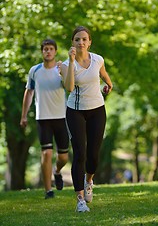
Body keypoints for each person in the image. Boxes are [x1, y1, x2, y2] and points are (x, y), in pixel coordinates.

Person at [61, 26, 113, 212]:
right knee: (80, 154)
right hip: (75, 111)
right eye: (77, 39)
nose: (81, 42)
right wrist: (71, 59)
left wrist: (109, 83)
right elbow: (68, 87)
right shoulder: (68, 64)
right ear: (72, 43)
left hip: (97, 110)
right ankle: (80, 200)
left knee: (93, 155)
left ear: (89, 42)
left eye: (84, 39)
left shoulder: (98, 59)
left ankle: (89, 181)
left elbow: (103, 73)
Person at [20, 39, 69, 199]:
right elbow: (29, 93)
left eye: (51, 49)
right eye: (45, 49)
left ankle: (57, 171)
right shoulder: (35, 71)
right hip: (43, 119)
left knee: (63, 157)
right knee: (46, 153)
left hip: (61, 117)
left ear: (55, 51)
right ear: (42, 52)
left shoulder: (61, 69)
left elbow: (70, 86)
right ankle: (48, 190)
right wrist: (24, 115)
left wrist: (65, 71)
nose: (48, 51)